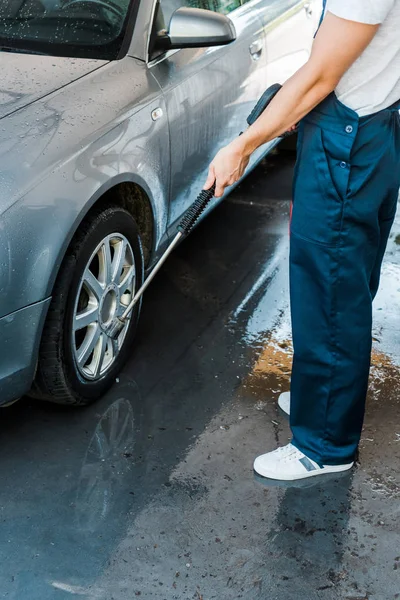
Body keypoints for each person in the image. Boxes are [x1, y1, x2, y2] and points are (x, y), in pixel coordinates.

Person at [204, 0, 400, 481]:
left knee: (329, 289)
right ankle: (325, 394)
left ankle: (325, 445)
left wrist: (243, 144)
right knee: (346, 282)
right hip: (371, 123)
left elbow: (320, 74)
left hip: (347, 140)